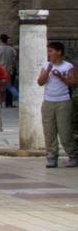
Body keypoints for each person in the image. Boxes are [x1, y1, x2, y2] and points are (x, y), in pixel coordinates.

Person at [38, 40, 78, 168]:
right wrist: (48, 70)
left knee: (65, 130)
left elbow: (73, 83)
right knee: (49, 131)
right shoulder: (46, 65)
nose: (49, 54)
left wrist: (61, 77)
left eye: (51, 51)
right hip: (48, 101)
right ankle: (51, 156)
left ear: (59, 52)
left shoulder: (68, 66)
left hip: (63, 102)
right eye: (48, 51)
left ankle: (73, 155)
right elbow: (40, 82)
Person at [0, 33, 19, 107]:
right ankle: (9, 103)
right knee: (9, 86)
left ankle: (0, 103)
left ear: (0, 40)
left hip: (1, 70)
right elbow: (15, 58)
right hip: (10, 70)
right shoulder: (11, 49)